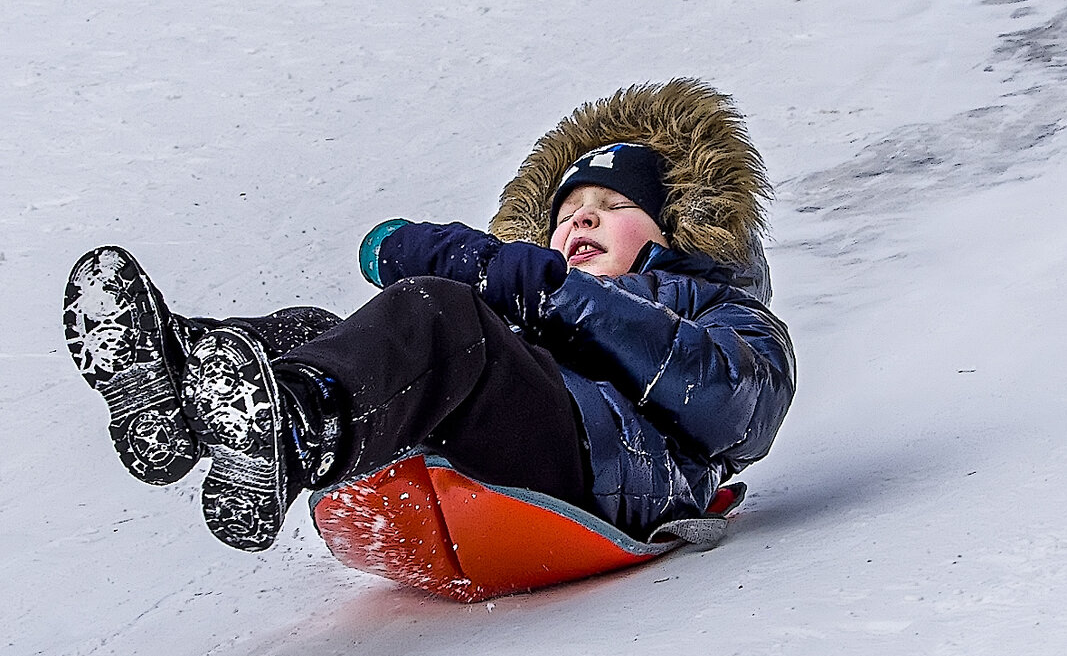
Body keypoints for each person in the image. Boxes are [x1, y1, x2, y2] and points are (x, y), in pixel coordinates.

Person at [63, 78, 796, 553]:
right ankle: (180, 390)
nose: (581, 222)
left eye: (612, 208)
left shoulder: (721, 307)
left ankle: (291, 428)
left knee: (438, 318)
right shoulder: (529, 302)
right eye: (567, 213)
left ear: (677, 228)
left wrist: (545, 291)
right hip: (498, 427)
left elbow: (737, 405)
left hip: (604, 467)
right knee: (316, 329)